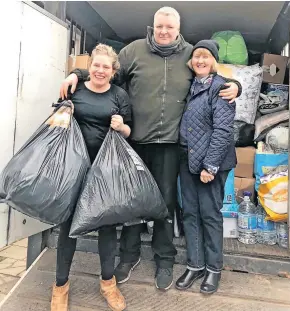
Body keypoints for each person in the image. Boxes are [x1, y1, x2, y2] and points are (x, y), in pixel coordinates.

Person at [59, 7, 241, 291]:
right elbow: (107, 71)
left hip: (170, 146)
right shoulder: (134, 51)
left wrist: (236, 85)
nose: (164, 32)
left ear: (178, 28)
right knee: (132, 202)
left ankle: (165, 260)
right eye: (159, 27)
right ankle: (128, 256)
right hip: (135, 142)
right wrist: (77, 73)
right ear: (153, 27)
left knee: (164, 204)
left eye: (169, 27)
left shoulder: (190, 54)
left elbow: (213, 75)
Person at [51, 44, 131, 311]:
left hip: (105, 171)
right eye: (96, 65)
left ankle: (108, 283)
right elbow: (56, 124)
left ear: (112, 71)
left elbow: (130, 132)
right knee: (68, 228)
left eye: (105, 66)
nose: (100, 70)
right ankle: (60, 286)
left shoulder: (119, 95)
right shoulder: (76, 89)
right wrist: (63, 114)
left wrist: (122, 127)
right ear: (89, 67)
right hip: (74, 170)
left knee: (107, 228)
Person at [176, 40, 237, 295]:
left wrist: (210, 166)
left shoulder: (221, 87)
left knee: (210, 216)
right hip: (188, 161)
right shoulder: (189, 86)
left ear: (213, 61)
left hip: (211, 164)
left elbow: (223, 130)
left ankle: (213, 269)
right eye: (196, 56)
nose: (200, 60)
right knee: (190, 213)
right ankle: (195, 264)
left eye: (206, 56)